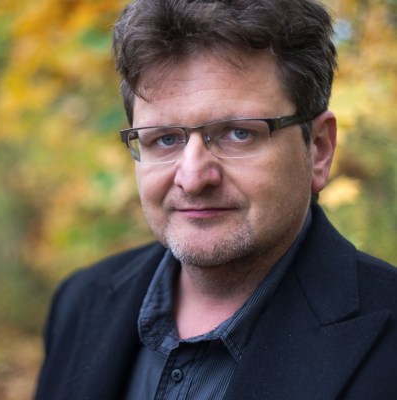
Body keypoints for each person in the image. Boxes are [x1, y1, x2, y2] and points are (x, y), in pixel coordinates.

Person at [34, 0, 397, 399]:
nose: (192, 179)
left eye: (238, 134)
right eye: (164, 139)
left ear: (320, 149)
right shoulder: (80, 303)